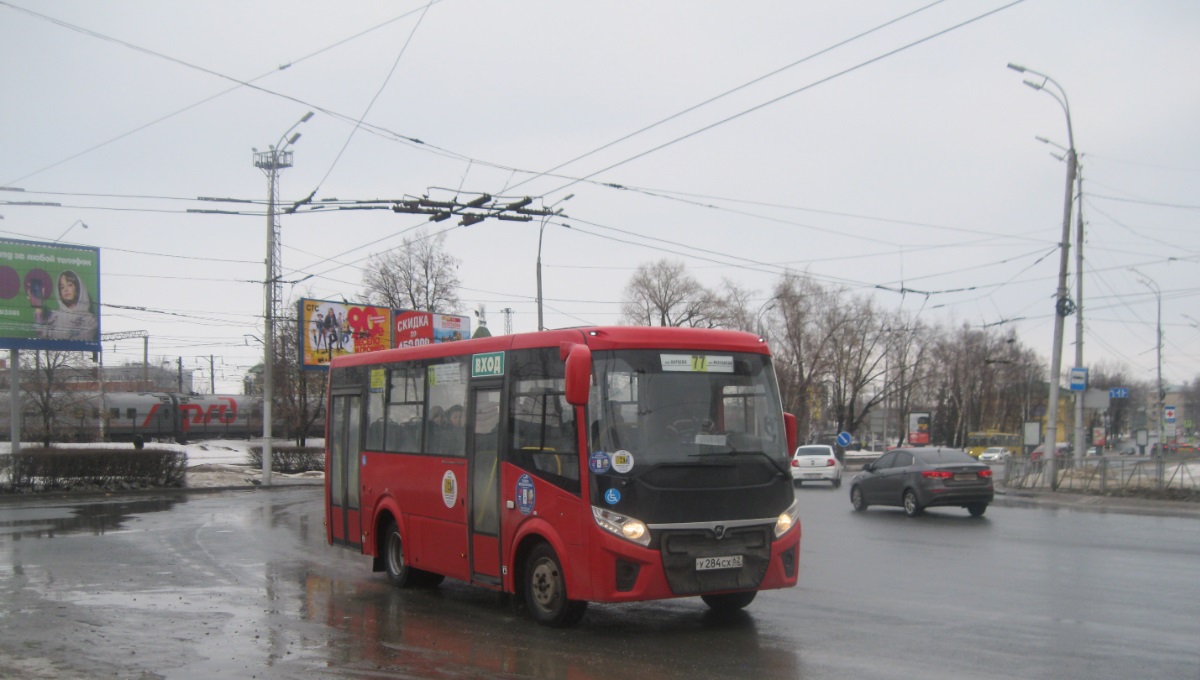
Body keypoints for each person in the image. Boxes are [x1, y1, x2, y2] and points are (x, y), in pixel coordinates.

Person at [28, 270, 97, 341]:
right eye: (62, 287)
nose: (66, 290)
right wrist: (38, 306)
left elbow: (83, 341)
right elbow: (42, 336)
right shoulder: (53, 317)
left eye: (70, 285)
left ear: (77, 289)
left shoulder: (90, 320)